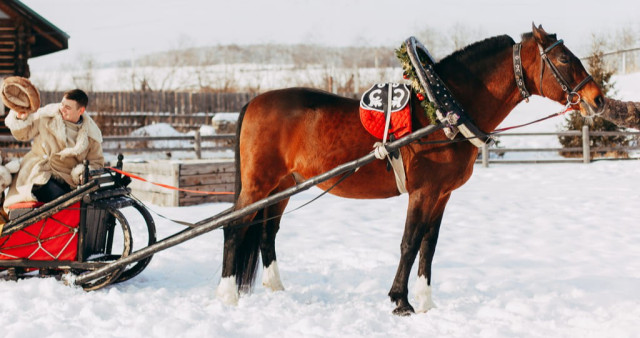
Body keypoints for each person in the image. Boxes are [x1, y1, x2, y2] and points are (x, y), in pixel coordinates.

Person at [3, 88, 104, 212]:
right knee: (61, 200)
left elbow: (97, 162)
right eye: (62, 104)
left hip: (68, 180)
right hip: (38, 172)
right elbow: (23, 134)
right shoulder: (46, 116)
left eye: (68, 107)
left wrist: (82, 173)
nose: (62, 108)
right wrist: (21, 117)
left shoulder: (91, 134)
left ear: (81, 110)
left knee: (78, 204)